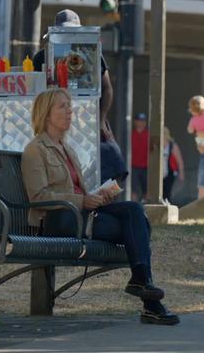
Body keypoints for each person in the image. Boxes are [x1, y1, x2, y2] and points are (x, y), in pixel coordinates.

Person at [20, 88, 179, 325]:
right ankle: (150, 301)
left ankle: (142, 285)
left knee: (135, 211)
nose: (70, 111)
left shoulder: (67, 149)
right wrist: (82, 201)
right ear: (46, 113)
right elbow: (38, 197)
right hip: (58, 220)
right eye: (62, 106)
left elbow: (76, 191)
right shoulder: (35, 149)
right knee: (137, 229)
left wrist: (96, 197)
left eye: (70, 106)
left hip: (80, 215)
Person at [33, 9, 115, 142]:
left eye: (72, 32)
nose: (68, 36)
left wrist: (101, 120)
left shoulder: (92, 55)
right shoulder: (41, 57)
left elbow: (107, 88)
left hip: (90, 120)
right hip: (54, 124)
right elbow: (36, 93)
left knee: (113, 158)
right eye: (63, 32)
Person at [161, 127, 184, 205]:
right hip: (159, 173)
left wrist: (181, 174)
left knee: (167, 191)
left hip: (170, 172)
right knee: (160, 191)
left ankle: (168, 206)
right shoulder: (156, 144)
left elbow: (179, 161)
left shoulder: (172, 145)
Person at [131, 113, 149, 202]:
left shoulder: (149, 135)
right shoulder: (131, 135)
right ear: (135, 122)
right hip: (133, 167)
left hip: (146, 167)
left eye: (143, 121)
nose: (141, 123)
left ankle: (146, 209)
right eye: (139, 121)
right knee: (133, 190)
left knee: (146, 190)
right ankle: (133, 207)